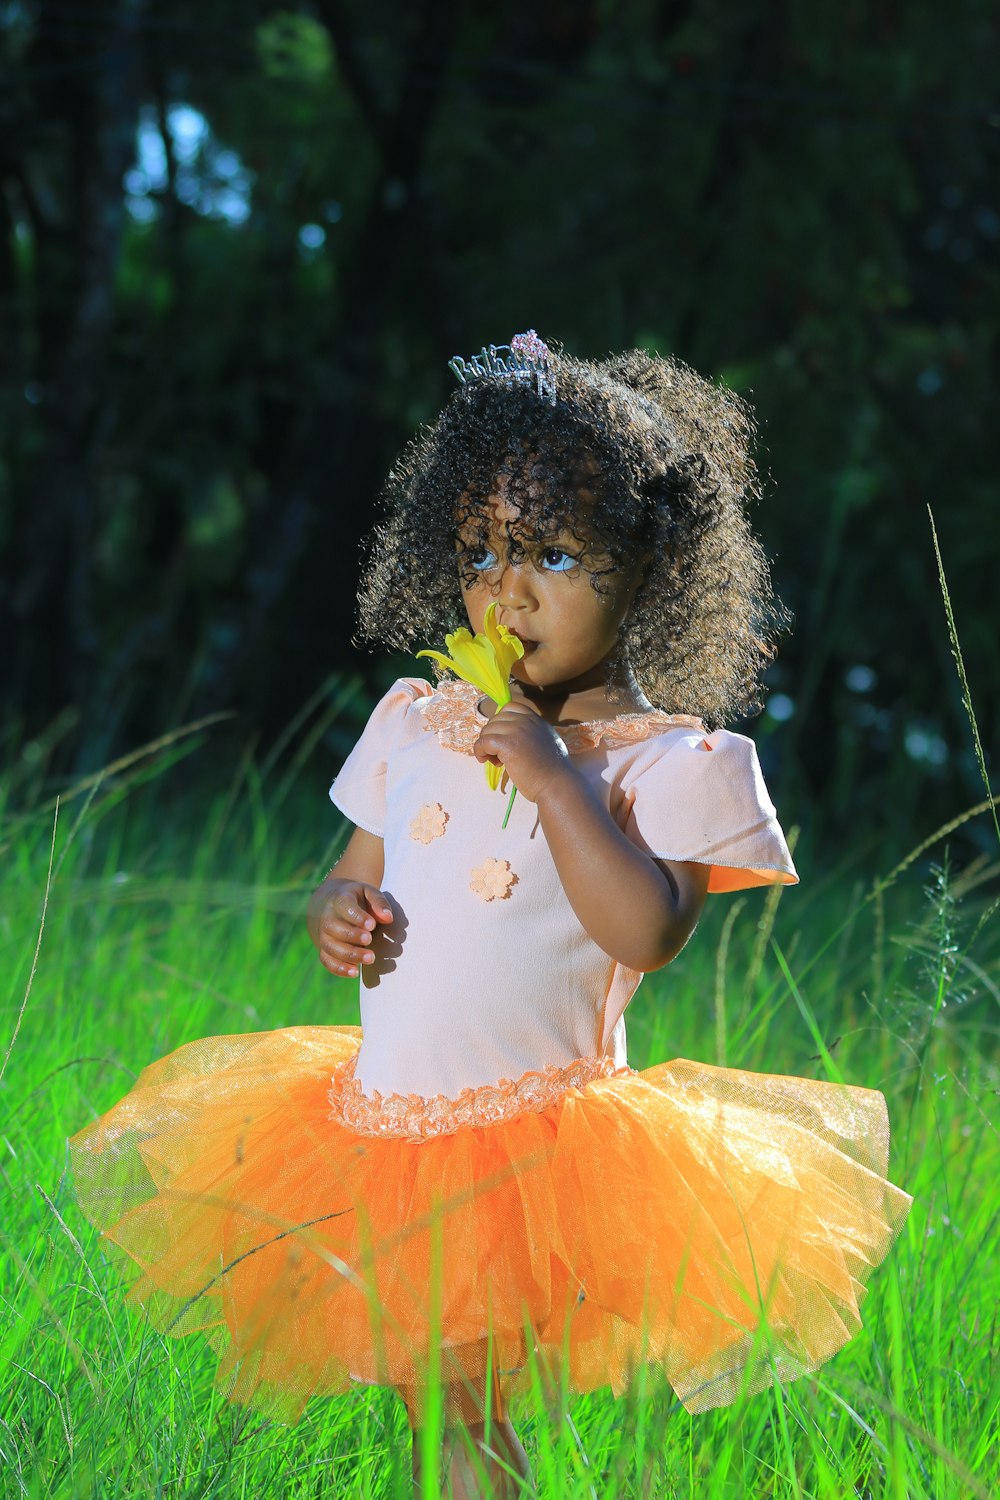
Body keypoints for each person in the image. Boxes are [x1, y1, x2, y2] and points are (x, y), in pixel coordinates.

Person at [70, 334, 911, 1498]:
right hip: (383, 1127)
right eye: (478, 552)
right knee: (436, 1418)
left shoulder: (669, 760)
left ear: (652, 568)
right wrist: (340, 913)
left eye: (553, 554)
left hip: (537, 1149)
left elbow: (645, 935)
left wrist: (563, 782)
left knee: (460, 1417)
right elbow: (347, 870)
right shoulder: (420, 720)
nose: (503, 590)